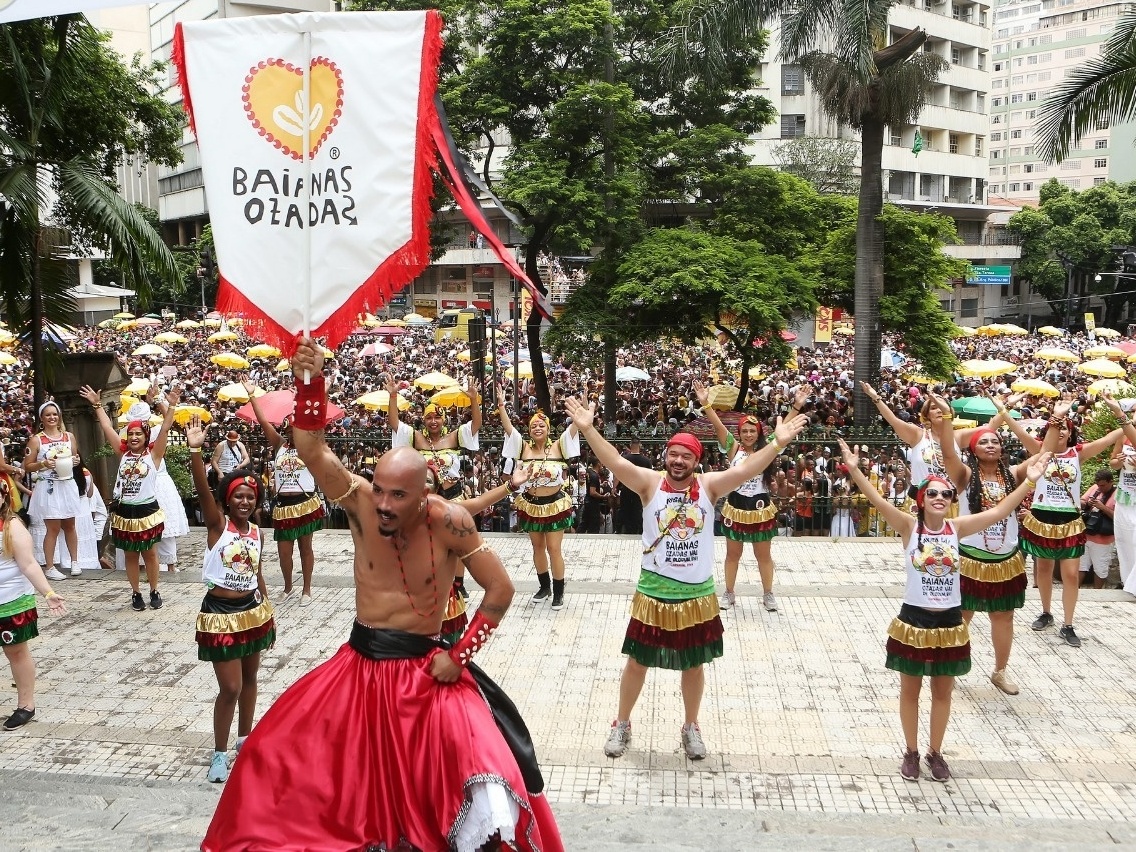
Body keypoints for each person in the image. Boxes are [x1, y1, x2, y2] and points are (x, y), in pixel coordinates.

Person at [202, 338, 562, 852]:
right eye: (380, 489)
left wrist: (460, 656)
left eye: (399, 495)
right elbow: (311, 448)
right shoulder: (361, 503)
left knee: (480, 769)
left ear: (424, 497)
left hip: (425, 670)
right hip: (360, 664)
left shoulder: (451, 521)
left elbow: (500, 589)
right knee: (274, 751)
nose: (385, 503)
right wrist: (310, 382)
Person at [563, 396, 808, 761]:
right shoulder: (649, 484)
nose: (679, 461)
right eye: (673, 454)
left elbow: (745, 471)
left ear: (697, 461)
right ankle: (622, 723)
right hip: (653, 591)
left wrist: (777, 442)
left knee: (694, 664)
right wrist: (587, 429)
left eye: (687, 456)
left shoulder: (709, 487)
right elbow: (613, 460)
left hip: (697, 594)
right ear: (666, 456)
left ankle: (691, 726)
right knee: (636, 661)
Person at [837, 437, 1049, 782]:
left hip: (951, 622)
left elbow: (998, 511)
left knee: (942, 692)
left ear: (952, 501)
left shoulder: (958, 529)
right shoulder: (909, 526)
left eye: (946, 494)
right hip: (914, 621)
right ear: (922, 499)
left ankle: (936, 753)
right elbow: (875, 498)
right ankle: (911, 750)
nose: (939, 498)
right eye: (932, 493)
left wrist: (1029, 480)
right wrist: (855, 468)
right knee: (910, 691)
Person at [186, 416, 275, 784]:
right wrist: (194, 451)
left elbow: (256, 573)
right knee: (231, 688)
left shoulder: (257, 532)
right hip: (220, 614)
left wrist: (267, 607)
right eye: (237, 495)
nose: (243, 500)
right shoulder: (216, 525)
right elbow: (204, 491)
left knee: (252, 679)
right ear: (228, 499)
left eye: (250, 496)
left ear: (256, 502)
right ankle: (219, 753)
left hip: (252, 611)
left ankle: (245, 739)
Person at [1024, 395, 1136, 647]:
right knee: (1042, 569)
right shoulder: (1040, 452)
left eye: (1065, 427)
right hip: (1042, 517)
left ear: (1072, 432)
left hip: (1070, 519)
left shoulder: (1078, 453)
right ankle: (1046, 611)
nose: (1061, 430)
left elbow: (1110, 438)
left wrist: (1121, 414)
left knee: (1071, 574)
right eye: (1057, 426)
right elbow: (1015, 426)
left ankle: (1068, 624)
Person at [939, 418, 1037, 695]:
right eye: (983, 441)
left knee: (1004, 616)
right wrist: (946, 417)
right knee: (961, 615)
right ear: (972, 449)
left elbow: (1045, 453)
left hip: (1006, 557)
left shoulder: (1015, 474)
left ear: (1003, 447)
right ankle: (951, 666)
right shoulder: (965, 475)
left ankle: (1000, 671)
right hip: (969, 556)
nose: (990, 445)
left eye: (995, 440)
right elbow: (947, 452)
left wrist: (1055, 423)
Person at [698, 383, 808, 610]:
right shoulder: (732, 448)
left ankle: (768, 593)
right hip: (735, 506)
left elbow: (783, 431)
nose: (748, 434)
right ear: (739, 433)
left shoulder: (766, 449)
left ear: (758, 432)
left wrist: (796, 407)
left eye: (752, 430)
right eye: (745, 431)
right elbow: (718, 427)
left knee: (763, 555)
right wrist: (706, 404)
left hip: (760, 507)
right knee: (732, 554)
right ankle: (729, 592)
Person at [80, 383, 180, 611]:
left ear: (146, 437)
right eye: (131, 433)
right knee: (131, 555)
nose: (134, 437)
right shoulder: (122, 453)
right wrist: (97, 404)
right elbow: (107, 427)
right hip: (125, 511)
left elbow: (165, 428)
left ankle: (154, 589)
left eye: (138, 434)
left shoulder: (154, 455)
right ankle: (136, 593)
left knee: (151, 553)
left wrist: (170, 406)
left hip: (146, 511)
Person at [387, 372, 481, 598]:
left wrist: (474, 400)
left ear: (443, 420)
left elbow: (476, 424)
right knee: (426, 542)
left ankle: (458, 585)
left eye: (437, 418)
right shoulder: (416, 438)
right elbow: (394, 423)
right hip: (427, 500)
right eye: (429, 418)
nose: (433, 421)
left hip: (453, 497)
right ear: (424, 421)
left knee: (456, 544)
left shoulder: (454, 438)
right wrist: (392, 397)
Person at [243, 378, 324, 606]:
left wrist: (312, 396)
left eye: (296, 428)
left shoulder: (311, 445)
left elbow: (317, 420)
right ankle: (288, 587)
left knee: (305, 548)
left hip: (305, 502)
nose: (292, 432)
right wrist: (251, 395)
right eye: (289, 428)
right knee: (283, 551)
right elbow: (262, 422)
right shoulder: (279, 444)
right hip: (283, 506)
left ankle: (306, 589)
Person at [499, 390, 579, 610]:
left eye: (541, 425)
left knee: (554, 548)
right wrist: (501, 406)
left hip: (554, 504)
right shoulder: (523, 448)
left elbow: (575, 426)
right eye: (533, 426)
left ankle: (559, 591)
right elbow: (509, 429)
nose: (537, 428)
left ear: (548, 429)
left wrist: (581, 407)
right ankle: (544, 587)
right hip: (531, 504)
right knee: (537, 547)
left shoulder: (559, 446)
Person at [0, 475, 67, 730]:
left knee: (15, 652)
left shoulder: (13, 526)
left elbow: (28, 564)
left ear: (4, 496)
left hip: (12, 600)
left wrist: (48, 594)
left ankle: (26, 705)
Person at [23, 401, 81, 581]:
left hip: (67, 484)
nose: (52, 418)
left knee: (70, 524)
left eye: (54, 414)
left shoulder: (68, 436)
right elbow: (27, 466)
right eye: (48, 415)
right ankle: (49, 566)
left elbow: (74, 456)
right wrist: (43, 464)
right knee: (53, 527)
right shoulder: (36, 439)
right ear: (41, 418)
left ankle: (74, 561)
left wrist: (75, 461)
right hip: (49, 487)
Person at [1080, 468, 1116, 590]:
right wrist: (1087, 504)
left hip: (1104, 540)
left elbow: (1119, 518)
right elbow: (1081, 502)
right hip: (1086, 535)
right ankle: (1075, 591)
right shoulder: (1094, 489)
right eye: (1098, 485)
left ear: (1111, 481)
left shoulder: (1117, 494)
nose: (1100, 488)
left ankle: (1097, 593)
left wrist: (1103, 507)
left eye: (1103, 485)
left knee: (1100, 569)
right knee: (1081, 566)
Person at [615, 436, 652, 534]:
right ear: (640, 445)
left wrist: (614, 487)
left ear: (630, 445)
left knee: (624, 511)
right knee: (638, 511)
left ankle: (623, 530)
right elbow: (650, 476)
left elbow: (618, 475)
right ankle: (639, 532)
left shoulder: (624, 459)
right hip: (640, 490)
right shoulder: (646, 461)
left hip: (626, 489)